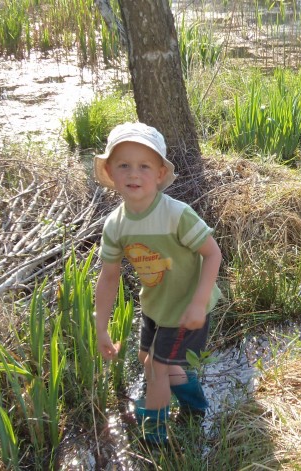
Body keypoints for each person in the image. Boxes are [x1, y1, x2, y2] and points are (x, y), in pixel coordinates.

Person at [93, 122, 222, 446]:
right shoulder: (116, 224)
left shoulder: (177, 214)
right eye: (124, 165)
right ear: (110, 171)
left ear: (161, 174)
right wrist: (101, 327)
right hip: (155, 305)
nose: (133, 174)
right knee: (147, 360)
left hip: (186, 307)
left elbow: (213, 254)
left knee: (155, 370)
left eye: (144, 166)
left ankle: (155, 439)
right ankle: (195, 407)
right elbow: (108, 277)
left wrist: (198, 302)